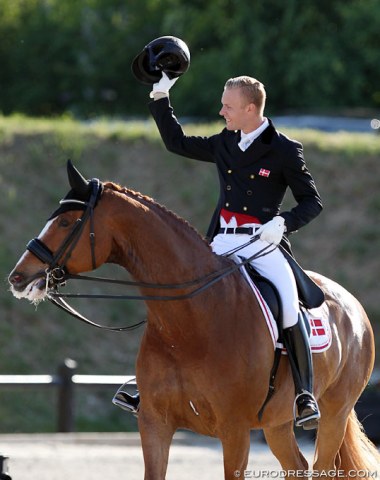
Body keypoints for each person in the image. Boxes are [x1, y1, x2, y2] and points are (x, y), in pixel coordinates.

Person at [113, 73, 323, 430]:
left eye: (228, 106)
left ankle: (304, 394)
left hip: (261, 243)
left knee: (289, 304)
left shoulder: (285, 149)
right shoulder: (226, 141)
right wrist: (160, 96)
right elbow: (177, 142)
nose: (221, 111)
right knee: (179, 297)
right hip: (221, 241)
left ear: (250, 108)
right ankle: (145, 384)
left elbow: (312, 202)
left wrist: (283, 223)